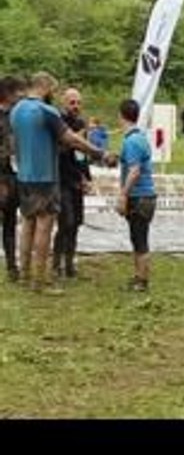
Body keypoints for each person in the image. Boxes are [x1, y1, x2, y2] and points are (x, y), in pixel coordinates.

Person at [10, 72, 112, 293]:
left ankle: (24, 274)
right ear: (45, 87)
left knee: (27, 224)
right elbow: (71, 139)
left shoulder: (16, 110)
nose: (53, 95)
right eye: (53, 91)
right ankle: (41, 281)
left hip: (23, 175)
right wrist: (98, 152)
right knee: (44, 227)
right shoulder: (47, 112)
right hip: (44, 177)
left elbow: (18, 142)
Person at [117, 99, 157, 292]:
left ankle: (142, 281)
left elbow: (134, 171)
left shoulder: (131, 141)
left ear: (121, 116)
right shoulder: (140, 138)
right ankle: (138, 276)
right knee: (137, 237)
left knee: (140, 240)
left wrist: (123, 195)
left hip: (139, 196)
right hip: (147, 196)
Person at [53, 87, 92, 279]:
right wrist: (74, 138)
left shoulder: (81, 123)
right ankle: (55, 264)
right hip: (61, 179)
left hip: (77, 179)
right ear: (64, 103)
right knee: (65, 222)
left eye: (78, 102)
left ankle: (69, 264)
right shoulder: (59, 123)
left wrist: (87, 178)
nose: (76, 106)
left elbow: (84, 155)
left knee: (76, 223)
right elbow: (60, 149)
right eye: (72, 102)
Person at [0, 76, 24, 282]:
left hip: (15, 175)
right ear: (8, 93)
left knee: (10, 221)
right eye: (18, 92)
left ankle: (11, 266)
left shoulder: (17, 115)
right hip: (2, 175)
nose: (21, 96)